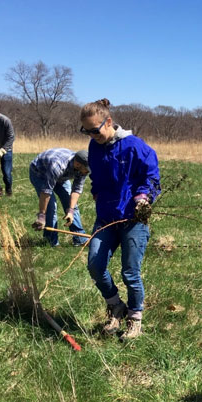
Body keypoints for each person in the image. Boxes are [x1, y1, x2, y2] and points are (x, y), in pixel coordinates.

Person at [80, 99, 160, 342]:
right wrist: (96, 193)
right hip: (106, 216)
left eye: (96, 130)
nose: (93, 135)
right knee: (95, 264)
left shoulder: (134, 146)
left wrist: (143, 198)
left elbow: (151, 175)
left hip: (133, 219)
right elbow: (96, 176)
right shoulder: (94, 148)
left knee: (130, 272)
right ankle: (115, 305)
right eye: (87, 131)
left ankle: (135, 318)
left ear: (109, 122)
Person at [29, 148, 90, 247]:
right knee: (51, 207)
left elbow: (76, 190)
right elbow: (46, 192)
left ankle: (80, 239)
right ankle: (51, 241)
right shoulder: (57, 166)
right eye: (87, 169)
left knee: (72, 206)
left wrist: (70, 211)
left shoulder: (83, 169)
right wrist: (41, 216)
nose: (88, 172)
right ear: (78, 164)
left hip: (62, 177)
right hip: (40, 173)